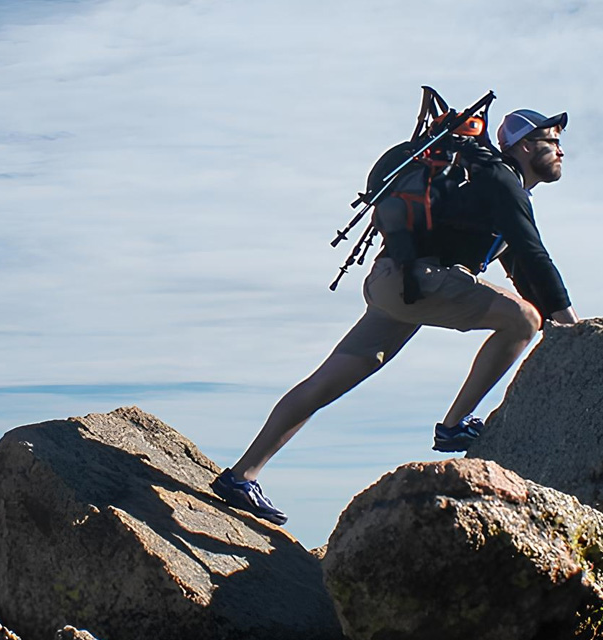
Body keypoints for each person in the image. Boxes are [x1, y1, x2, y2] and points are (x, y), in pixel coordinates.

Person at [211, 108, 580, 525]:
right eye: (553, 141)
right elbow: (534, 254)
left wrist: (561, 321)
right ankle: (455, 425)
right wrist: (572, 327)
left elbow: (522, 267)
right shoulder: (500, 179)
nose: (562, 151)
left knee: (324, 383)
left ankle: (242, 476)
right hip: (417, 281)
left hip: (394, 282)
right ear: (526, 146)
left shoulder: (489, 182)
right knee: (522, 319)